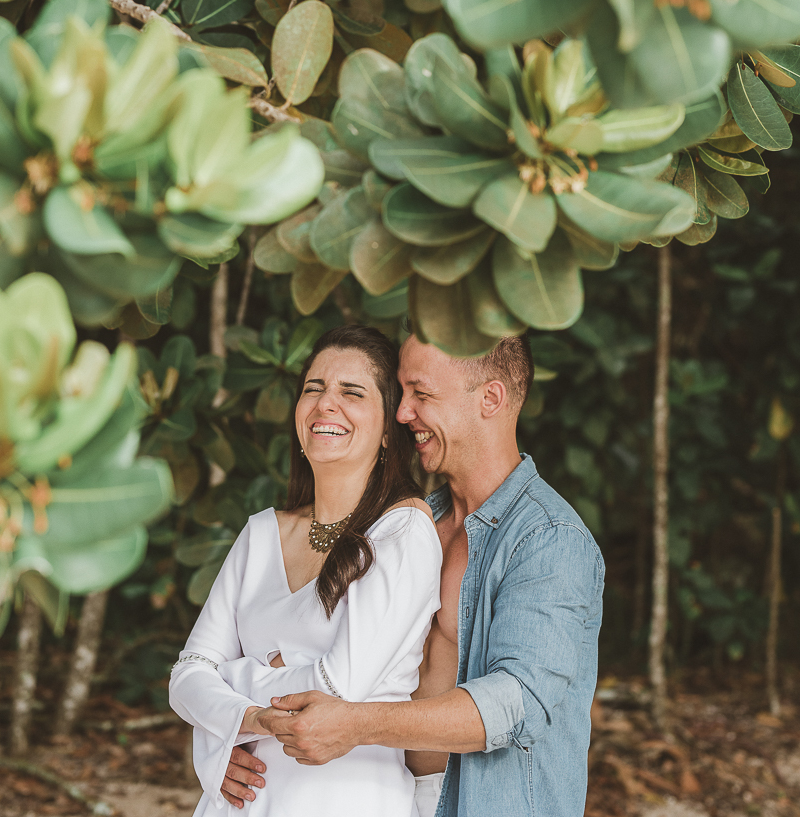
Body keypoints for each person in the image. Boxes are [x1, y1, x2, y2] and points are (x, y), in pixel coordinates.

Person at [220, 333, 605, 817]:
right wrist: (240, 738)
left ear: (490, 398)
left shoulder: (548, 539)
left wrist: (355, 725)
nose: (402, 414)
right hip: (387, 795)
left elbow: (518, 702)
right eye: (401, 394)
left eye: (421, 395)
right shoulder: (407, 525)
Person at [169, 325, 442, 816]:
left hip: (343, 800)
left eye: (351, 393)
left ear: (387, 430)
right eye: (313, 389)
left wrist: (229, 687)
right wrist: (249, 713)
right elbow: (185, 675)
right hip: (241, 803)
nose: (325, 404)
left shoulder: (402, 533)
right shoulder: (260, 533)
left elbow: (337, 688)